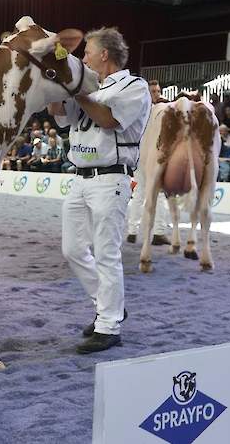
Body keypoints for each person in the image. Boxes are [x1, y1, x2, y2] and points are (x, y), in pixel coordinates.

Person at [48, 27, 150, 354]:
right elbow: (61, 118)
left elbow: (107, 119)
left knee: (106, 254)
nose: (83, 58)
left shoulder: (135, 86)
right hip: (80, 177)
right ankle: (109, 304)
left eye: (87, 52)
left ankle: (108, 325)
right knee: (73, 249)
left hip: (111, 178)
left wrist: (77, 90)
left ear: (104, 54)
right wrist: (56, 86)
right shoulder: (92, 85)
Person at [126, 79, 171, 247]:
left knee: (138, 194)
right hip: (149, 158)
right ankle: (159, 232)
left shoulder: (139, 110)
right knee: (156, 195)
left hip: (140, 158)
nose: (157, 94)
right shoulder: (158, 111)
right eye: (153, 92)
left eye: (158, 91)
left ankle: (132, 231)